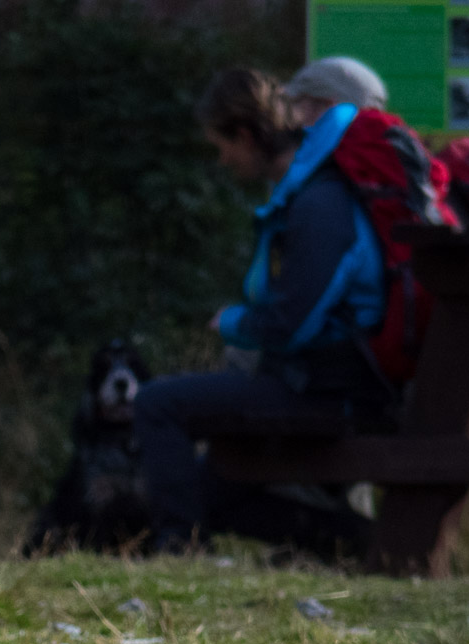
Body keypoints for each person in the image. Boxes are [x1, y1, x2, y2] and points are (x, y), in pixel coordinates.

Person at [132, 68, 392, 556]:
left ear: (248, 135)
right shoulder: (308, 191)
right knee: (206, 494)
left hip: (327, 390)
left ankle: (181, 550)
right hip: (317, 380)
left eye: (222, 145)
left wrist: (233, 324)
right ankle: (357, 543)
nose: (222, 159)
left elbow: (293, 323)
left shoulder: (320, 201)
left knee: (156, 403)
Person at [284, 57, 388, 126]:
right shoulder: (390, 150)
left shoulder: (327, 155)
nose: (292, 113)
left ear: (327, 106)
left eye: (297, 101)